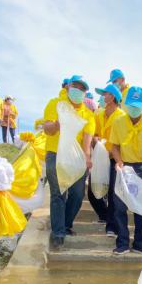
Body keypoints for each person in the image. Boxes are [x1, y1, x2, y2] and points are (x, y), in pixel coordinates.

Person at [42, 75, 96, 250]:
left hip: (75, 158)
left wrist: (87, 158)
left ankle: (65, 224)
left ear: (85, 92)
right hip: (55, 154)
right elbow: (47, 129)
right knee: (58, 194)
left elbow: (87, 140)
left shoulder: (88, 114)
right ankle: (58, 233)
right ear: (67, 88)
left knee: (77, 194)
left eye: (82, 89)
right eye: (75, 87)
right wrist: (57, 125)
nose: (78, 91)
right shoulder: (55, 104)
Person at [109, 86, 142, 255]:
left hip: (140, 168)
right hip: (123, 167)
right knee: (119, 206)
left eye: (137, 106)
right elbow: (113, 146)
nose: (134, 109)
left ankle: (139, 243)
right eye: (131, 105)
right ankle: (122, 242)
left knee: (140, 208)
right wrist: (119, 161)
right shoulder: (118, 122)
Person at [91, 83, 124, 234]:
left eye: (105, 94)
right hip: (99, 157)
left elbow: (123, 141)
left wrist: (112, 153)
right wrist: (96, 140)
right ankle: (105, 215)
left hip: (114, 158)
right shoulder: (98, 114)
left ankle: (111, 226)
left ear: (113, 97)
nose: (103, 97)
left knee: (112, 191)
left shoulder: (122, 117)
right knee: (93, 192)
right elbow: (94, 133)